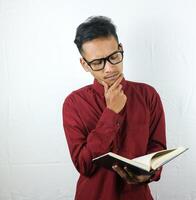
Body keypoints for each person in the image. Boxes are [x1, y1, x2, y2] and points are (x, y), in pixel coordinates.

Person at [62, 16, 166, 200]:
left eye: (114, 57)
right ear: (84, 64)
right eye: (97, 63)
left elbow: (157, 150)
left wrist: (149, 173)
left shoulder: (148, 95)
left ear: (121, 49)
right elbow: (84, 164)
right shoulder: (74, 103)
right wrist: (111, 113)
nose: (109, 68)